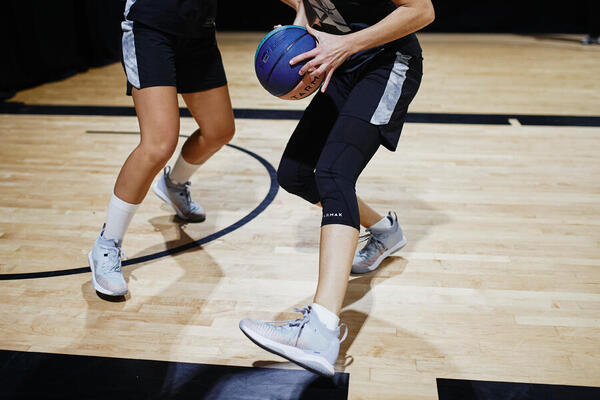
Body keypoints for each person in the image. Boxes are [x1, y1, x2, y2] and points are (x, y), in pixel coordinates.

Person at [240, 0, 434, 376]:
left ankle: (321, 330)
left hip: (388, 63)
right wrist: (299, 29)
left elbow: (422, 11)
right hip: (344, 62)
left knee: (333, 174)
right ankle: (384, 232)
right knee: (296, 174)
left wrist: (346, 44)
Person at [89, 0, 235, 297]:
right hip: (151, 27)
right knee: (158, 144)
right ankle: (106, 245)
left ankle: (174, 184)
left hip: (199, 28)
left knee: (219, 131)